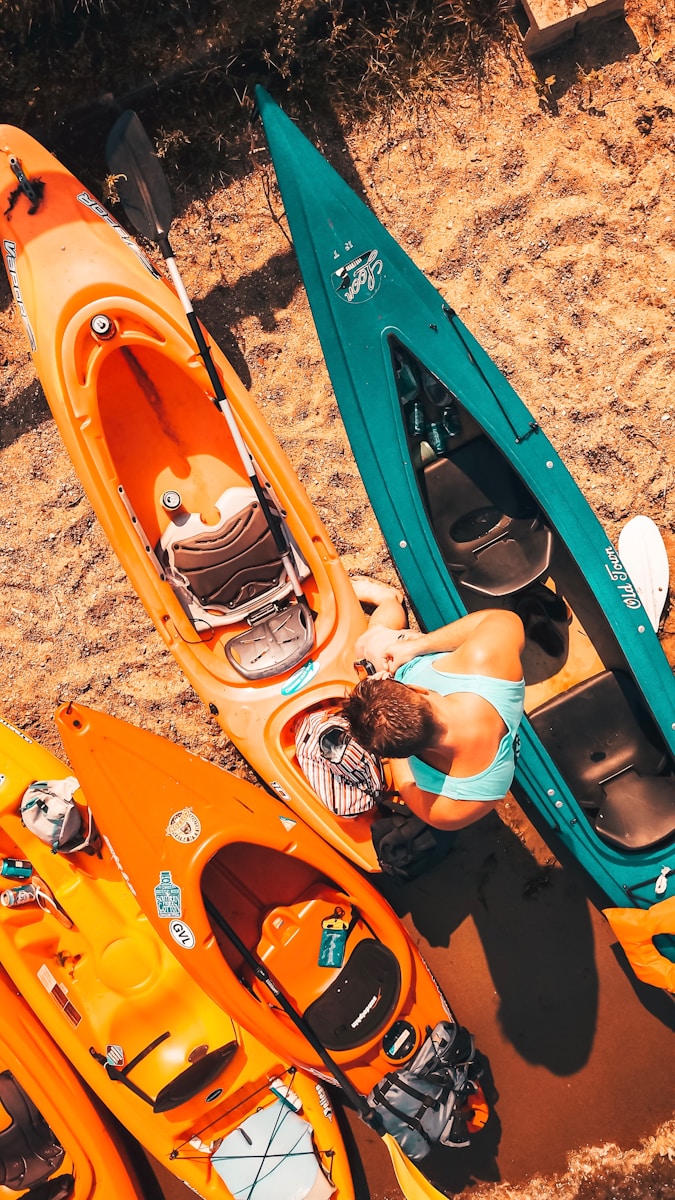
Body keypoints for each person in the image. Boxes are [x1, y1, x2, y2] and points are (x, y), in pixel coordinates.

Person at [345, 579, 526, 831]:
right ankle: (389, 604)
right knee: (367, 645)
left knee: (363, 646)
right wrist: (418, 647)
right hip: (412, 657)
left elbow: (408, 788)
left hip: (404, 673)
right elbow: (506, 620)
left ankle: (389, 599)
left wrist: (393, 742)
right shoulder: (483, 661)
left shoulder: (451, 808)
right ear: (420, 689)